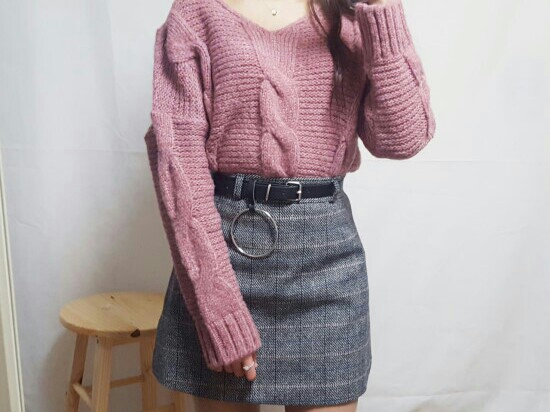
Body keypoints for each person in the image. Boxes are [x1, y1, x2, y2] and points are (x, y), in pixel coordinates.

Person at [143, 0, 436, 410]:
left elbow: (403, 138)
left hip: (328, 266)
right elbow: (179, 163)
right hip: (223, 258)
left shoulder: (352, 16)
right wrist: (218, 308)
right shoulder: (196, 14)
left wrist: (382, 10)